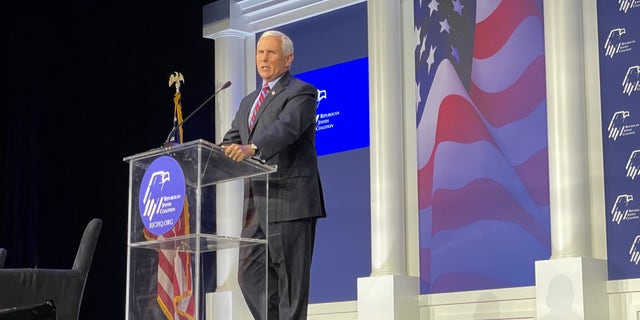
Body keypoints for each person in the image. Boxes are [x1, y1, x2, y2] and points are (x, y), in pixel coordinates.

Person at [220, 30, 326, 320]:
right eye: (259, 52)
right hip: (256, 206)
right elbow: (229, 142)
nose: (263, 58)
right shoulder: (248, 102)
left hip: (290, 199)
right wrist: (203, 154)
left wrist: (252, 148)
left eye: (271, 52)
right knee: (248, 275)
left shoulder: (301, 92)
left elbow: (286, 129)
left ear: (288, 59)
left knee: (291, 285)